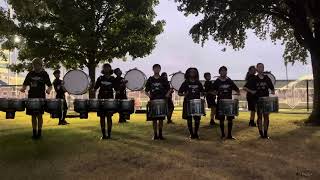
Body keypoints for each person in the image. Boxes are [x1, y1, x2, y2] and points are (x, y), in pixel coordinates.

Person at [20, 58, 52, 140]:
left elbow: (50, 85)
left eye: (37, 64)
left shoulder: (44, 74)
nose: (35, 66)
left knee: (39, 115)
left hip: (41, 97)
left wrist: (48, 90)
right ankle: (34, 133)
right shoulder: (30, 74)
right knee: (33, 115)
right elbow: (25, 84)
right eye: (34, 65)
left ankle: (39, 133)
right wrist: (23, 88)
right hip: (31, 96)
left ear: (41, 65)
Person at [245, 63, 275, 139]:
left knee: (266, 117)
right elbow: (244, 87)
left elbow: (272, 87)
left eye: (262, 67)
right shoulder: (253, 78)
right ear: (257, 69)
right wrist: (252, 91)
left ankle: (265, 133)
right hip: (257, 100)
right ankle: (261, 133)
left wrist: (273, 91)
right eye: (259, 67)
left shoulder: (267, 78)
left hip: (266, 100)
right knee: (259, 117)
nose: (261, 68)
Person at [212, 66, 240, 140]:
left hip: (229, 103)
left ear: (226, 72)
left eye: (225, 71)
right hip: (220, 102)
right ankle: (223, 134)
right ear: (219, 72)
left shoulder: (229, 80)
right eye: (222, 71)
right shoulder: (217, 81)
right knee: (221, 119)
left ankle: (229, 135)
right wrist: (214, 93)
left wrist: (238, 92)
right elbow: (213, 90)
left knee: (230, 119)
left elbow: (236, 89)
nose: (223, 72)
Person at [145, 64, 172, 140]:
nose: (157, 69)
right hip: (153, 101)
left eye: (158, 68)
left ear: (160, 69)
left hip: (162, 101)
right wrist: (149, 95)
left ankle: (160, 134)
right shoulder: (150, 79)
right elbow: (146, 91)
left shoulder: (163, 79)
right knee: (154, 119)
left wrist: (167, 94)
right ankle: (155, 135)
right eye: (155, 68)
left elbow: (169, 89)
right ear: (153, 69)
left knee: (161, 119)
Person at [178, 68, 204, 140]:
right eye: (191, 72)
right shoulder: (185, 83)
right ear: (188, 73)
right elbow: (179, 93)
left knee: (197, 119)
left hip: (197, 103)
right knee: (189, 119)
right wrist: (184, 95)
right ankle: (191, 134)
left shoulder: (198, 83)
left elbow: (202, 92)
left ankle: (196, 133)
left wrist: (203, 93)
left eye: (194, 72)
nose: (192, 73)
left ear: (196, 73)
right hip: (188, 102)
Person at [94, 63, 116, 140]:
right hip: (101, 100)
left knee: (109, 117)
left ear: (110, 69)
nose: (106, 69)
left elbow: (117, 89)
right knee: (102, 117)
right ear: (103, 69)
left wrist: (122, 84)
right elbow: (95, 88)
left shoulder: (113, 79)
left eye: (108, 67)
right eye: (105, 68)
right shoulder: (100, 78)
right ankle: (103, 135)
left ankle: (109, 135)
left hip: (110, 100)